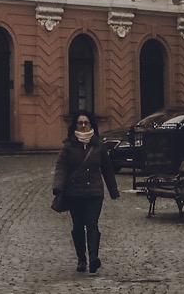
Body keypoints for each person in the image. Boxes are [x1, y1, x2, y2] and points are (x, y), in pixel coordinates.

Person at [53, 110, 120, 274]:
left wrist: (113, 190)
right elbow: (61, 167)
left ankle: (93, 258)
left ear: (91, 125)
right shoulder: (68, 146)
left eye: (86, 123)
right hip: (74, 193)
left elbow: (107, 169)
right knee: (77, 226)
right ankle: (81, 259)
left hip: (94, 193)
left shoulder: (99, 146)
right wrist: (58, 186)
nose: (83, 126)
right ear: (75, 126)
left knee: (92, 224)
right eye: (80, 123)